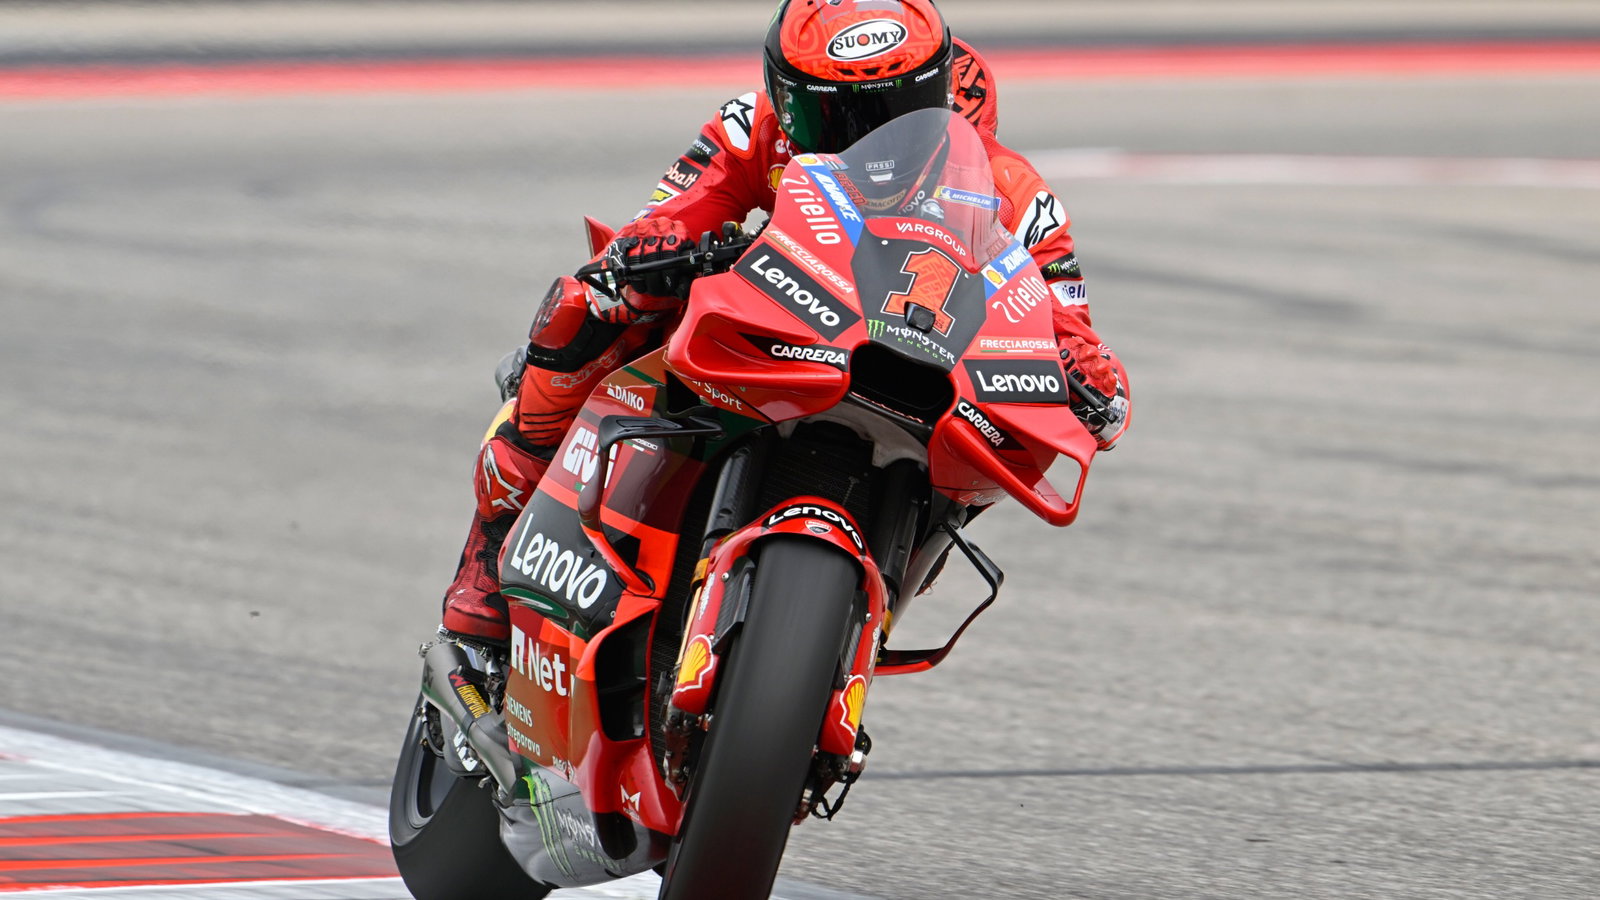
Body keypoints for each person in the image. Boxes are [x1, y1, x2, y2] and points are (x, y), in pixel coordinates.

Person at [439, 0, 1131, 644]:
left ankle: (856, 615)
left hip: (912, 368)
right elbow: (668, 218)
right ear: (785, 95)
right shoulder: (751, 129)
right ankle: (490, 558)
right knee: (586, 307)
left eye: (897, 114)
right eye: (835, 117)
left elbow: (1068, 322)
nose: (868, 140)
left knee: (1007, 445)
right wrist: (650, 253)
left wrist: (1088, 373)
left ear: (940, 98)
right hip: (762, 330)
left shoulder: (1011, 189)